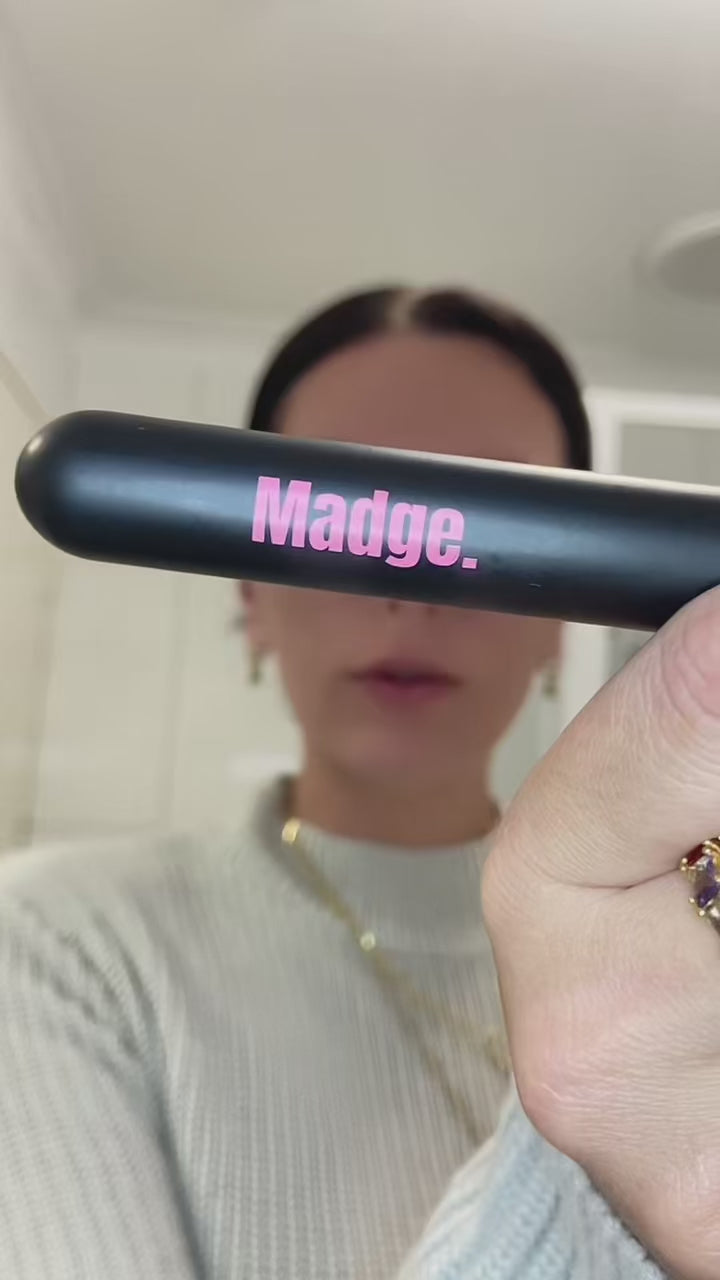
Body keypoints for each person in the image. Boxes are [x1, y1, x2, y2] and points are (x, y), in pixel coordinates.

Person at [5, 281, 702, 1280]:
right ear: (252, 594)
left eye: (479, 519)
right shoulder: (57, 947)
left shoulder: (694, 924)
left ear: (562, 619)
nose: (409, 584)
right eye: (349, 515)